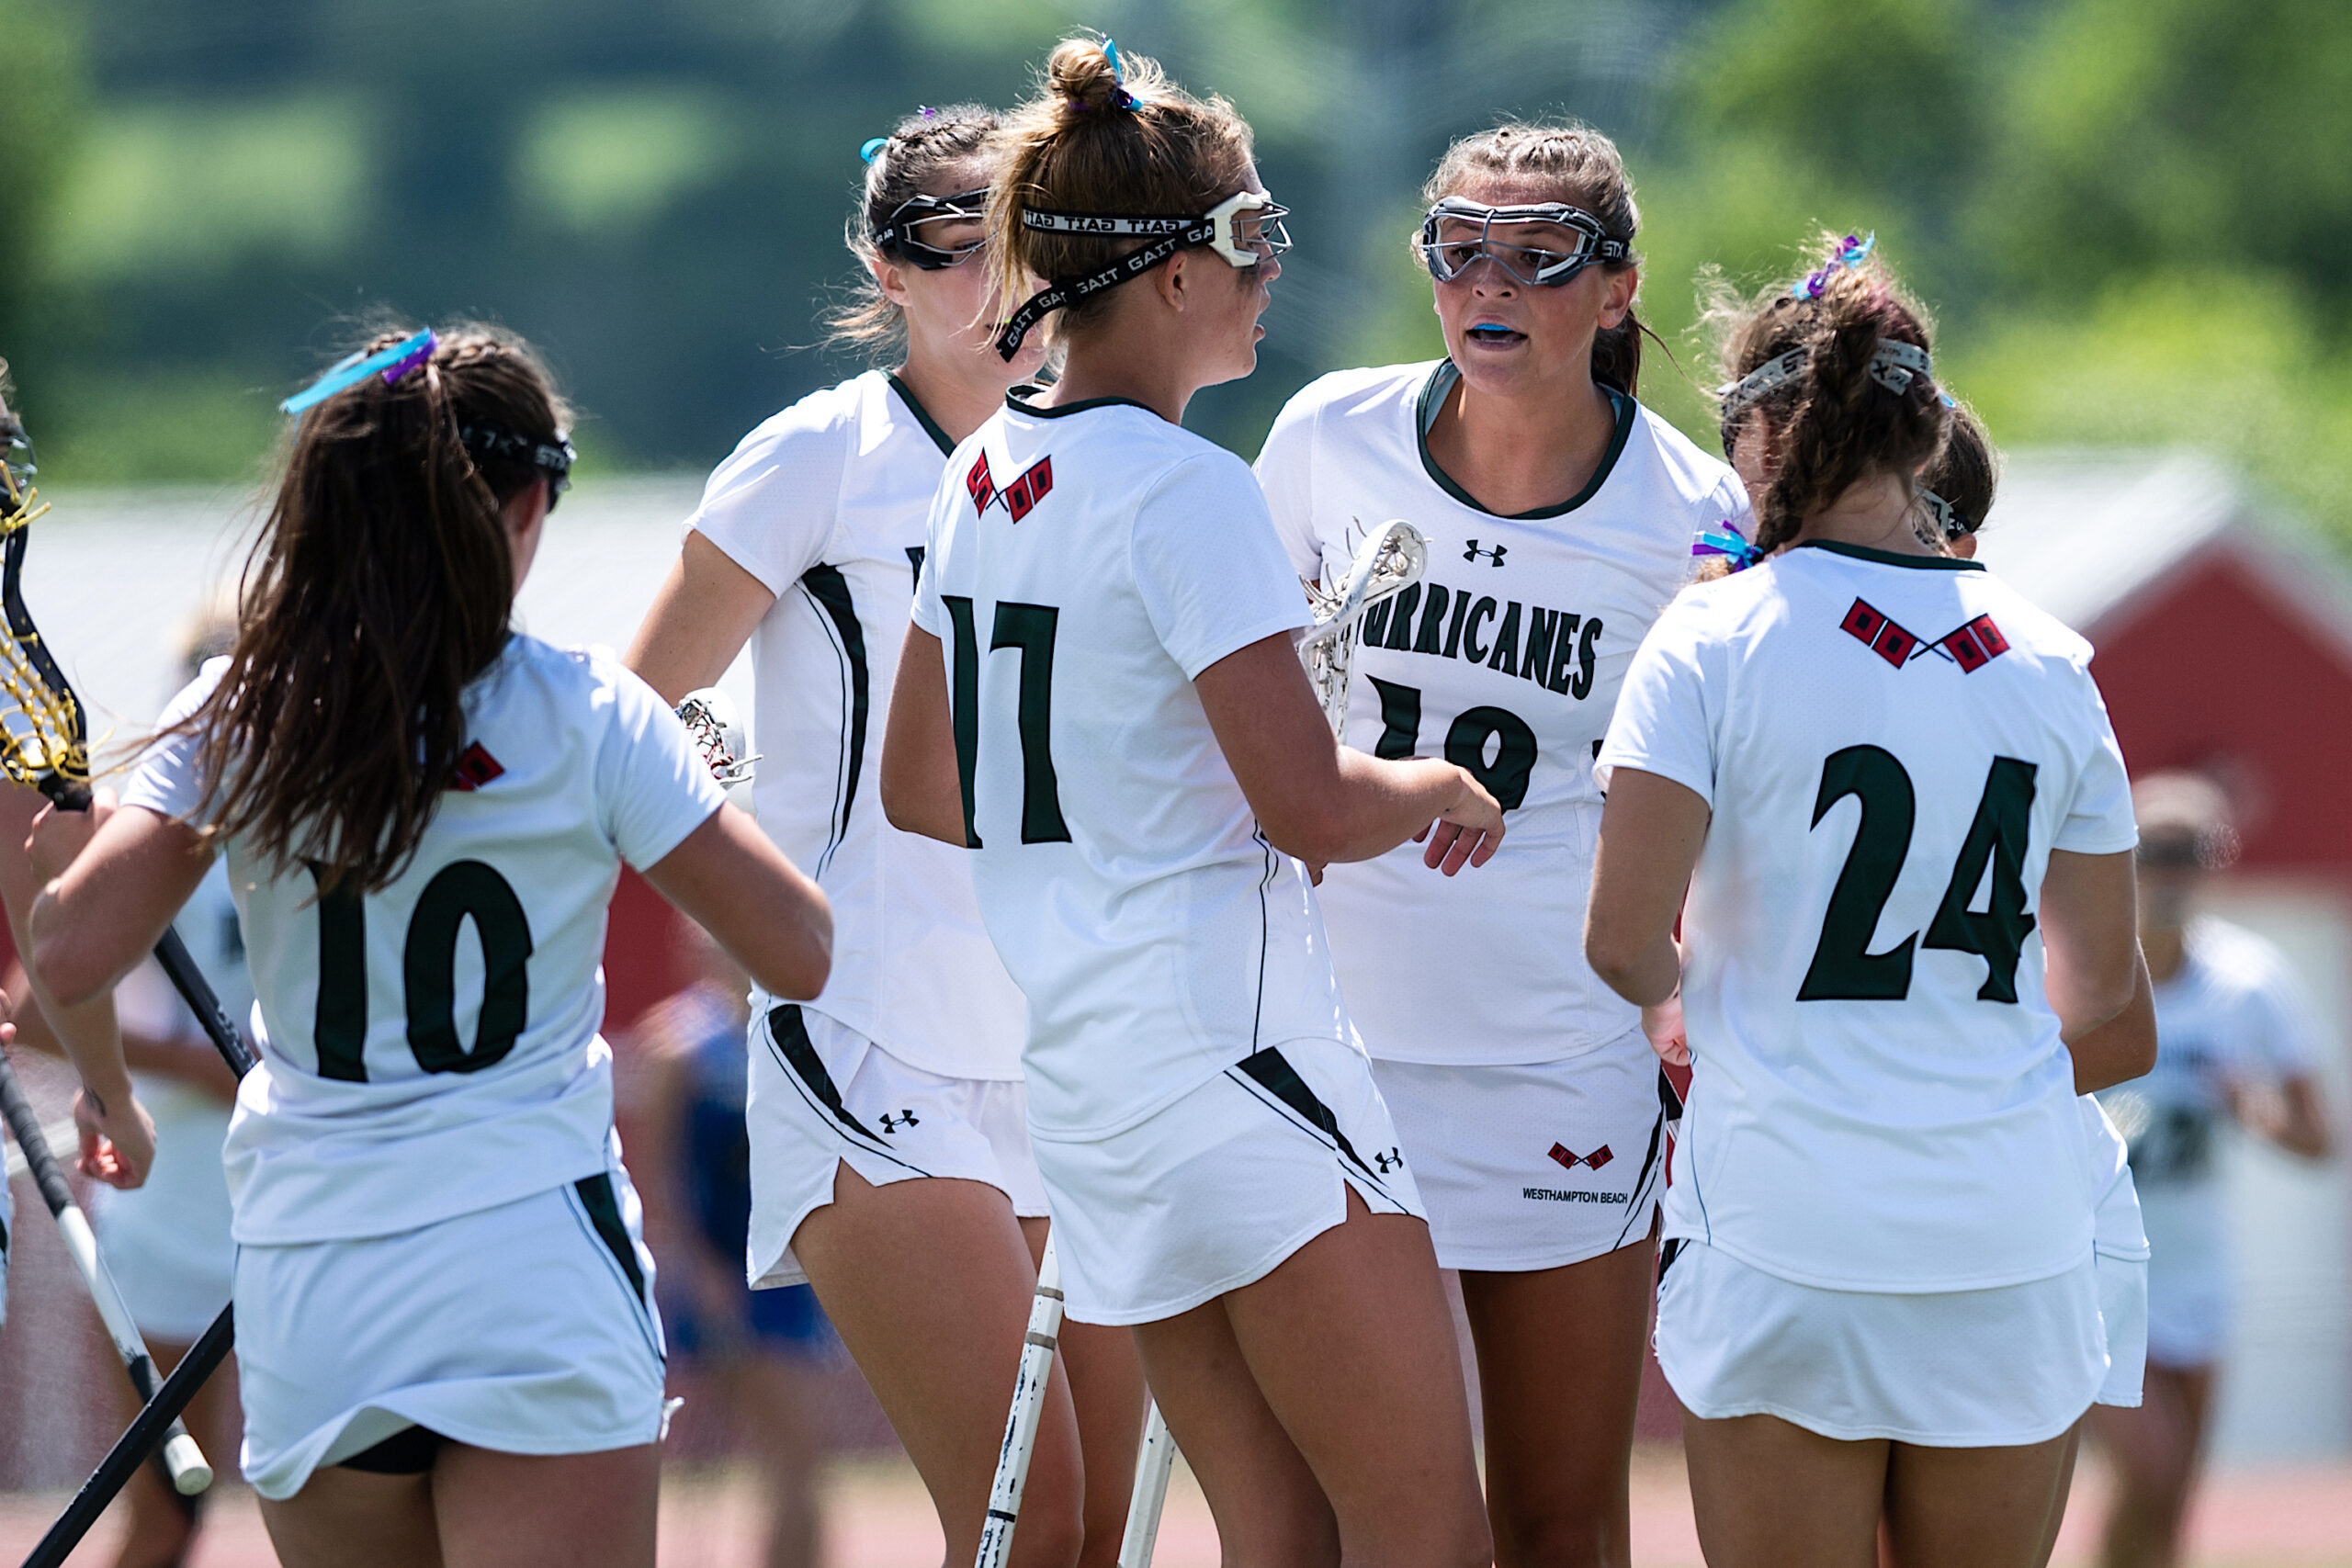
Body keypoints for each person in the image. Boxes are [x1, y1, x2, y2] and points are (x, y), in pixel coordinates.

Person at [23, 324, 832, 1568]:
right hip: (533, 1269)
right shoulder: (591, 711)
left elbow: (69, 943)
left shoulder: (243, 706)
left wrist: (112, 1095)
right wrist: (702, 783)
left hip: (319, 1283)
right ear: (520, 506)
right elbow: (801, 949)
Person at [881, 38, 1503, 1568]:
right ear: (1166, 273)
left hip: (1095, 1083)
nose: (1270, 267)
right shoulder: (1185, 490)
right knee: (1426, 1529)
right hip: (1239, 1061)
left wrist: (1127, 799)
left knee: (1274, 1532)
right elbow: (1309, 806)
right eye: (1251, 234)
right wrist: (1441, 780)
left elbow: (916, 781)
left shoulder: (982, 472)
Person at [1583, 235, 2157, 1568]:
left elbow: (1622, 943)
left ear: (1765, 432)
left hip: (1788, 1219)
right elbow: (2117, 1011)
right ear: (1925, 432)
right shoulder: (2054, 663)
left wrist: (1701, 1023)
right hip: (2006, 1229)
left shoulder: (1714, 637)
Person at [623, 104, 1143, 1568]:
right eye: (945, 242)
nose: (989, 278)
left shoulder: (1123, 456)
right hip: (870, 1030)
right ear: (887, 266)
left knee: (1100, 1527)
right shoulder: (817, 457)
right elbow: (633, 708)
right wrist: (742, 875)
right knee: (1025, 1514)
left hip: (1073, 1045)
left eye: (1019, 239)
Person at [1254, 120, 1747, 1567]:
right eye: (1460, 248)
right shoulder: (1326, 439)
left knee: (1555, 1514)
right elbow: (1237, 701)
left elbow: (1731, 793)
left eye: (1540, 256)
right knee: (1349, 1516)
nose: (1494, 281)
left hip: (1557, 1041)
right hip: (1332, 1036)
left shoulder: (1697, 514)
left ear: (1616, 288)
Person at [2088, 770, 2334, 1568]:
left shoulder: (2247, 982)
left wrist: (2254, 1109)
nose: (2172, 872)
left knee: (2170, 1507)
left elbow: (2320, 1138)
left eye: (2192, 852)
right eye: (2155, 850)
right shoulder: (2082, 974)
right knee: (2150, 1473)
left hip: (2197, 1275)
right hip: (2094, 1275)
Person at [622, 932, 829, 1568]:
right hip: (723, 1275)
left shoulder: (795, 1029)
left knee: (792, 1463)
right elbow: (661, 1182)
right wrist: (698, 1272)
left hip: (793, 1274)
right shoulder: (681, 1044)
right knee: (779, 1459)